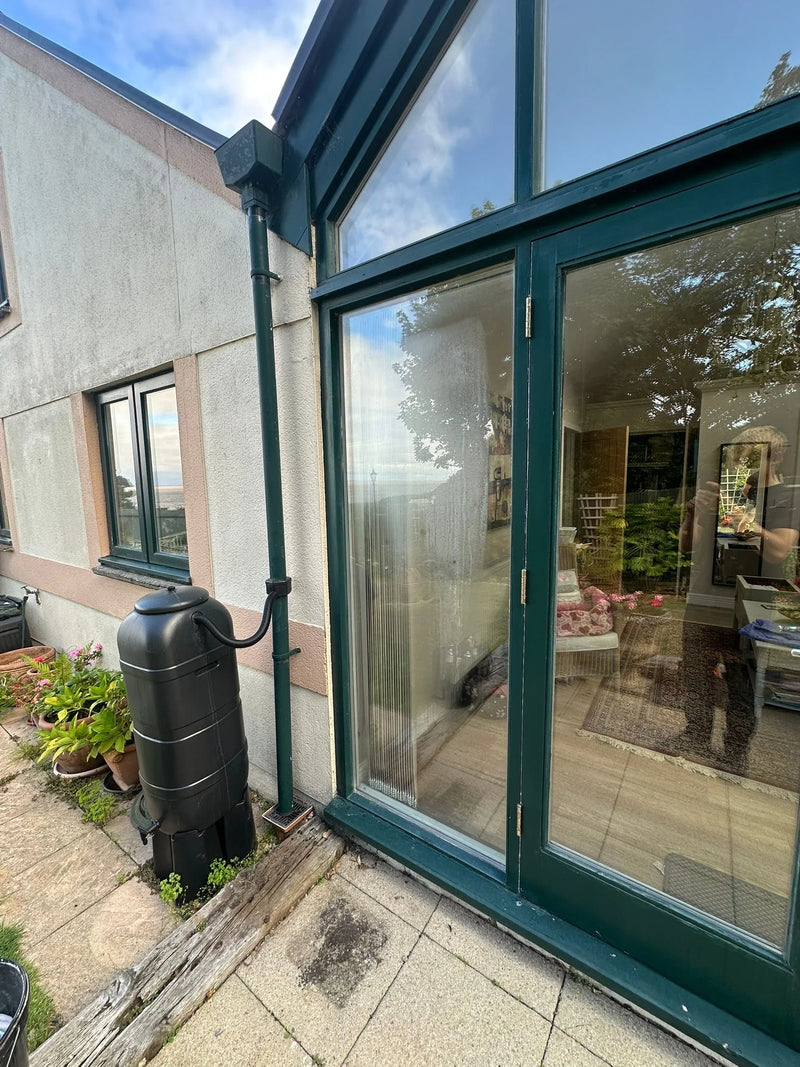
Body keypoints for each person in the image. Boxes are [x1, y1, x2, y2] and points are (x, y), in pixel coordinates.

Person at [676, 426, 798, 773]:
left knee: (741, 684)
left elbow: (779, 550)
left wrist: (748, 522)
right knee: (695, 675)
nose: (741, 465)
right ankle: (696, 735)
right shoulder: (725, 495)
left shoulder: (787, 497)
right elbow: (687, 547)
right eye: (738, 457)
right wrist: (692, 513)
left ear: (774, 457)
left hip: (751, 606)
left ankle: (735, 754)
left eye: (749, 457)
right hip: (704, 600)